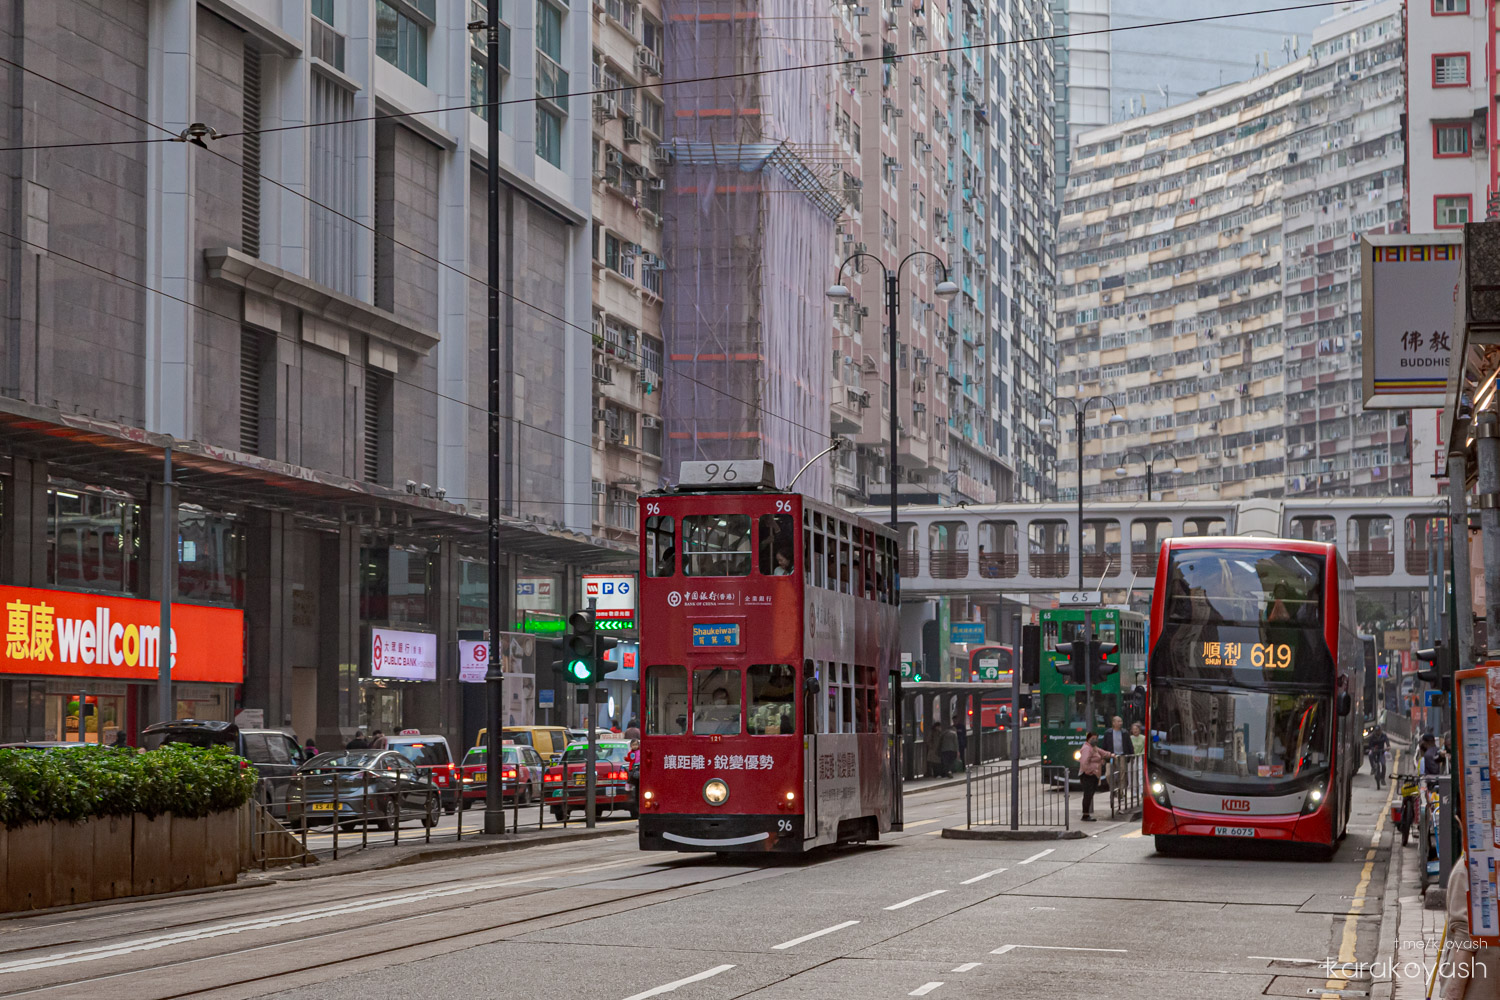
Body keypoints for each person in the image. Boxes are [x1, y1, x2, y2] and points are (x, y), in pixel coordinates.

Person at [1078, 731, 1113, 822]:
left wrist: (1110, 755)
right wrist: (1089, 771)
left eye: (1096, 739)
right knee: (1088, 795)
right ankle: (1085, 815)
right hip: (1088, 775)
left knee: (1090, 794)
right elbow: (1084, 762)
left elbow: (1102, 752)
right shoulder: (1086, 748)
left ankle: (1086, 814)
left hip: (1094, 774)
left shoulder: (1093, 748)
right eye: (1092, 738)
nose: (1094, 740)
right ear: (1088, 739)